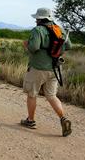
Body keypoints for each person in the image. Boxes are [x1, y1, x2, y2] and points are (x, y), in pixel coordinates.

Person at [21, 8, 72, 137]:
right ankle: (63, 118)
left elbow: (34, 47)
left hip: (38, 68)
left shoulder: (38, 30)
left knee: (32, 94)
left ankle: (30, 120)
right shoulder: (59, 29)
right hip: (55, 68)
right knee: (51, 95)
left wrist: (26, 45)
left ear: (39, 19)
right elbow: (69, 46)